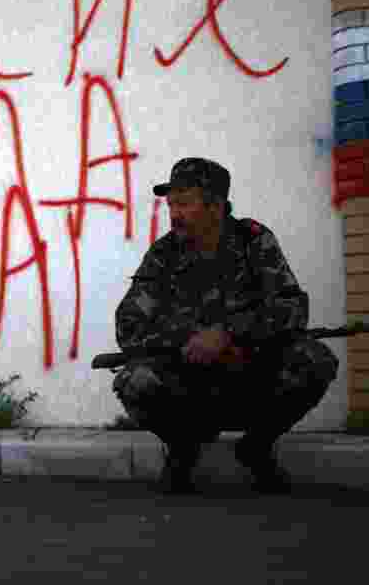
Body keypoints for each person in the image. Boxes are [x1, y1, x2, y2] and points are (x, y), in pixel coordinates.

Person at [113, 157, 339, 494]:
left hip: (250, 374)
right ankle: (182, 449)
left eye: (184, 203)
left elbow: (292, 307)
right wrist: (189, 340)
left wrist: (231, 335)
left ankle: (256, 447)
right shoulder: (164, 254)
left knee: (315, 360)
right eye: (171, 204)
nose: (174, 213)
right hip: (189, 383)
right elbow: (129, 325)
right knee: (135, 380)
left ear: (216, 206)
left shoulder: (253, 241)